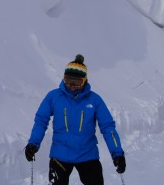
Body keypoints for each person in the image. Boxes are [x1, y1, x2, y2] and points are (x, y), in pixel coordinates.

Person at [24, 54, 126, 185]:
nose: (71, 86)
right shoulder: (54, 97)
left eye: (77, 83)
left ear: (84, 81)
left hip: (87, 154)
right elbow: (41, 121)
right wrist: (33, 143)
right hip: (60, 154)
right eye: (67, 80)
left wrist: (117, 153)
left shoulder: (94, 100)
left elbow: (108, 127)